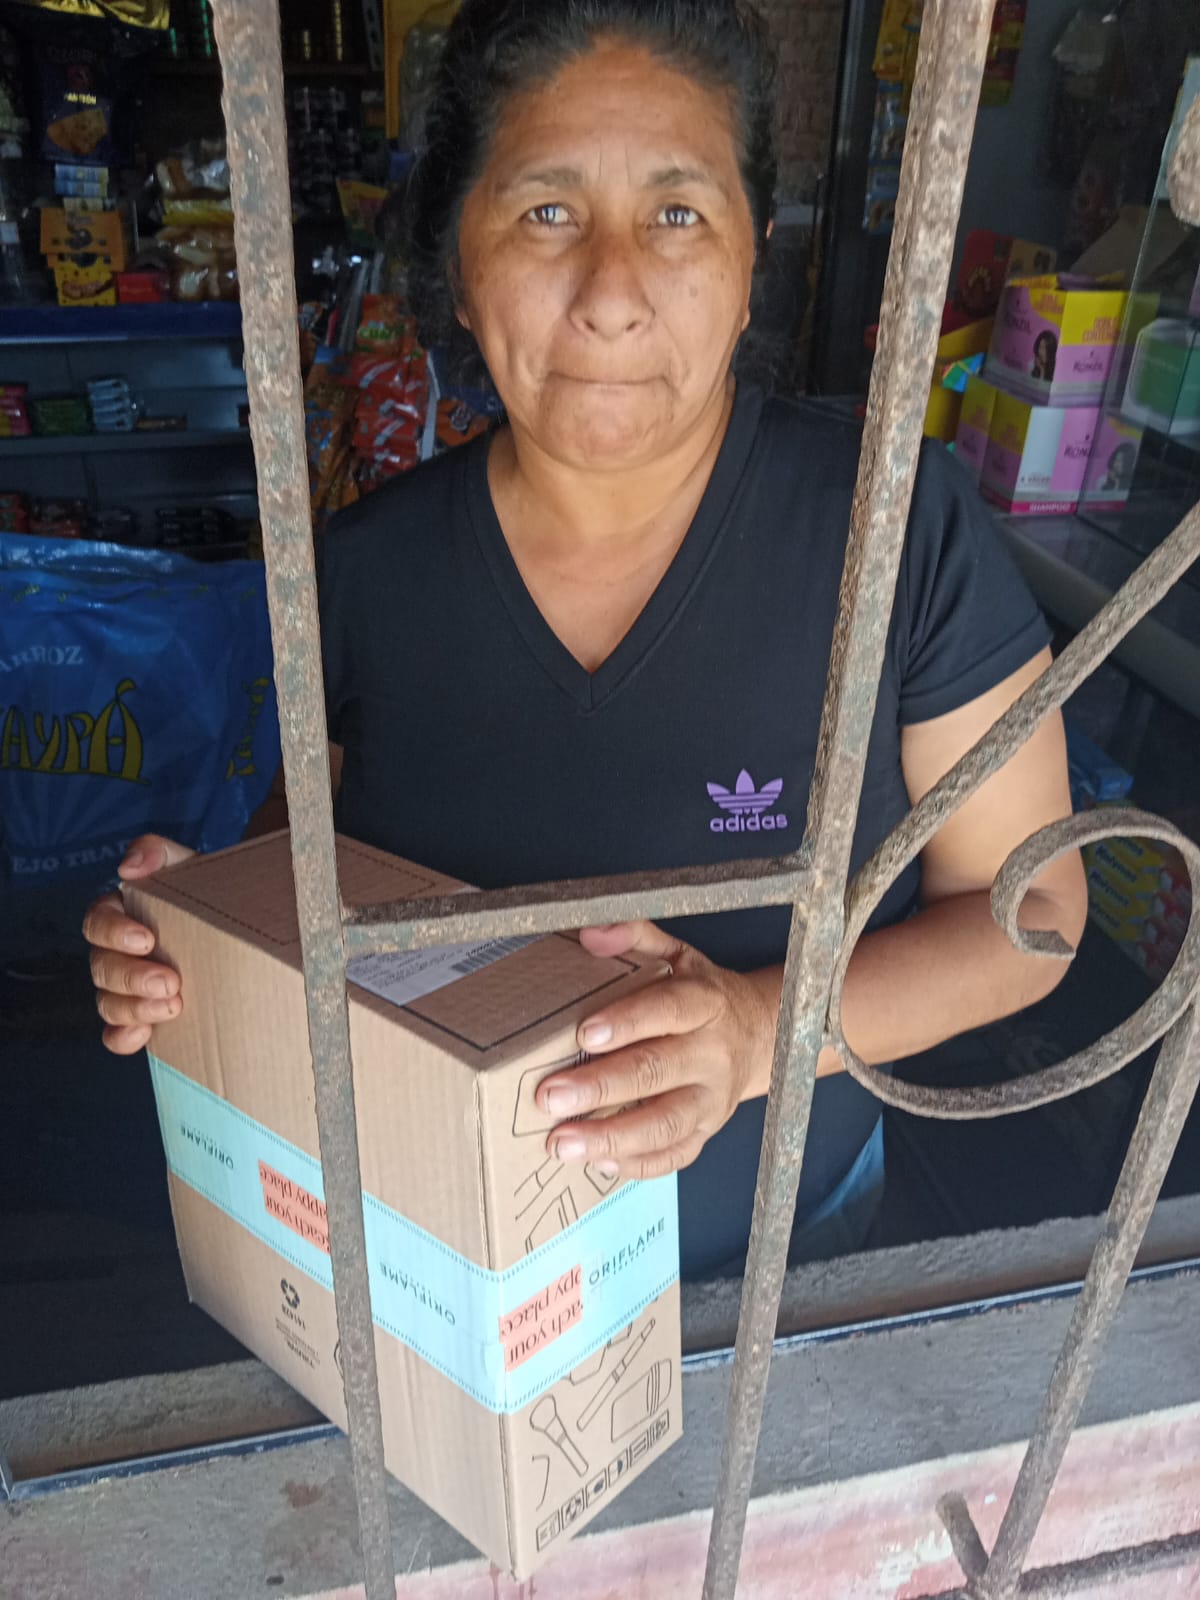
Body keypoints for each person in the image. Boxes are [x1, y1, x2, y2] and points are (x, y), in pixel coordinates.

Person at [83, 0, 1086, 1280]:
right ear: (460, 261)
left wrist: (756, 1027)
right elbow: (306, 874)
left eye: (678, 214)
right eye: (547, 211)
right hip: (447, 1280)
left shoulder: (894, 528)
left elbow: (1035, 906)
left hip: (785, 1264)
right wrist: (196, 945)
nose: (612, 295)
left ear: (751, 260)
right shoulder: (364, 572)